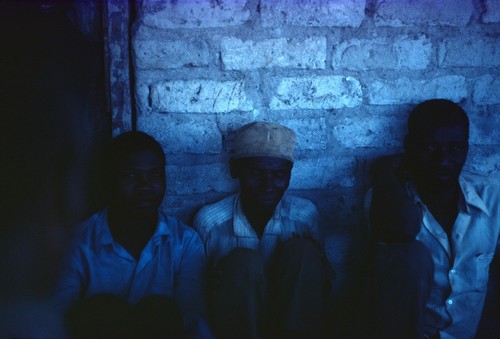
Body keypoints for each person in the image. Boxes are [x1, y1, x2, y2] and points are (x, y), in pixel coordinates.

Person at [52, 131, 210, 338]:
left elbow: (192, 317)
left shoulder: (185, 242)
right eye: (130, 175)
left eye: (154, 174)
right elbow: (59, 317)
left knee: (160, 311)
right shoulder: (77, 241)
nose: (145, 186)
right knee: (103, 309)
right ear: (109, 182)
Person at [366, 99, 500, 338]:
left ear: (467, 148)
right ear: (409, 147)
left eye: (455, 148)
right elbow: (400, 232)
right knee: (412, 257)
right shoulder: (391, 202)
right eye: (430, 148)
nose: (443, 160)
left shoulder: (492, 198)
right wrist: (385, 171)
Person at [193, 122, 333, 339]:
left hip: (290, 321)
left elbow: (319, 285)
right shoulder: (210, 222)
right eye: (256, 173)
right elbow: (197, 296)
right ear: (235, 170)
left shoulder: (304, 216)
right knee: (243, 263)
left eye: (279, 174)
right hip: (235, 324)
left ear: (290, 174)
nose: (268, 185)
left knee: (303, 251)